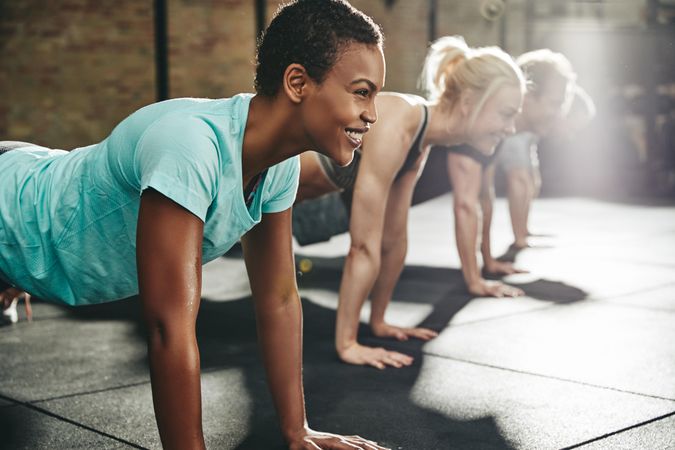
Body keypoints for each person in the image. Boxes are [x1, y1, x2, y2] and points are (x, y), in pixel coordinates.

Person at [0, 1, 389, 448]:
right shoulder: (190, 147)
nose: (373, 113)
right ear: (297, 82)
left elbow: (279, 298)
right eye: (362, 92)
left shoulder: (278, 167)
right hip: (11, 206)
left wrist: (296, 431)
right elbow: (169, 328)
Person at [293, 36, 525, 370]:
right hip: (250, 185)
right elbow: (363, 246)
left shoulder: (420, 136)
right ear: (470, 101)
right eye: (505, 114)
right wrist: (348, 343)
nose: (511, 127)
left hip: (292, 203)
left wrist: (380, 321)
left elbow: (393, 241)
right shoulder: (400, 119)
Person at [493, 49, 577, 250]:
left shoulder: (527, 126)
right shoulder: (500, 126)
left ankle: (523, 232)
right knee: (520, 179)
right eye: (555, 104)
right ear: (528, 96)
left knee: (528, 180)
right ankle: (520, 236)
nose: (559, 114)